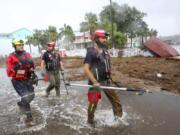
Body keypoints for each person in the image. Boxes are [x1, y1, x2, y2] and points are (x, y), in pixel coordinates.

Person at [83, 29, 123, 125]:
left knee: (116, 101)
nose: (105, 40)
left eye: (105, 38)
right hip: (94, 83)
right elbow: (85, 68)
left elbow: (106, 65)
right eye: (103, 38)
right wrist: (94, 82)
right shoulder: (91, 51)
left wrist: (109, 77)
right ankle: (90, 122)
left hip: (106, 81)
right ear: (96, 38)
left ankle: (119, 120)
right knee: (93, 103)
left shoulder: (105, 51)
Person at [6, 39, 37, 124]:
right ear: (15, 46)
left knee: (32, 95)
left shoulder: (27, 54)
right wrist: (15, 68)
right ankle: (29, 117)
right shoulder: (11, 56)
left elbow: (32, 67)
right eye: (19, 45)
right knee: (26, 97)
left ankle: (21, 103)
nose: (21, 46)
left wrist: (34, 76)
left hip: (27, 79)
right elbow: (9, 72)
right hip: (17, 81)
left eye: (22, 44)